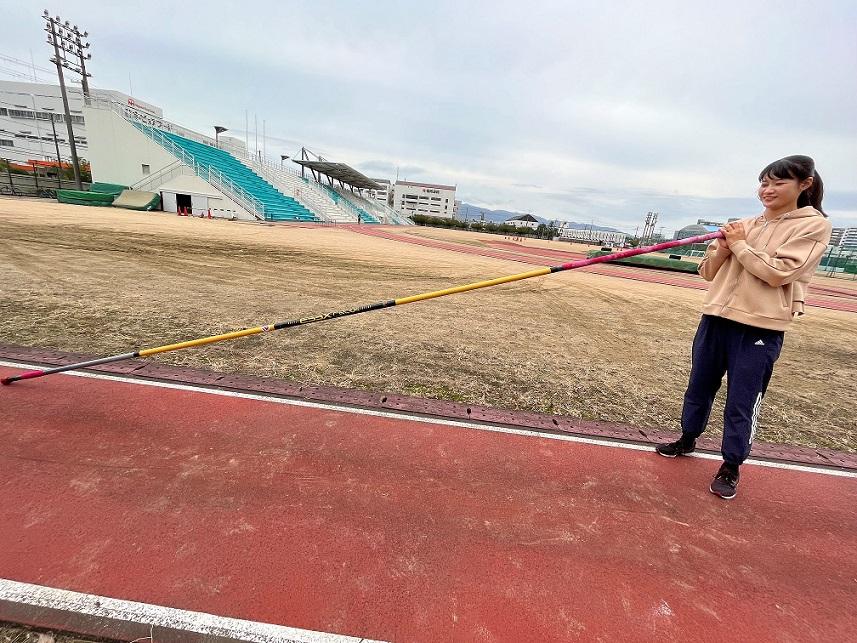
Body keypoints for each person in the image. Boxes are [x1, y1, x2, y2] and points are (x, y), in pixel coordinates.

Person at [656, 155, 832, 499]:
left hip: (758, 327)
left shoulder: (813, 225)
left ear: (805, 185)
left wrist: (738, 244)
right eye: (764, 183)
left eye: (779, 182)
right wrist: (723, 248)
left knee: (743, 399)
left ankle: (731, 464)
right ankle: (688, 437)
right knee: (698, 386)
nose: (768, 190)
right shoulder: (745, 224)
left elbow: (778, 272)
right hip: (715, 318)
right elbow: (707, 272)